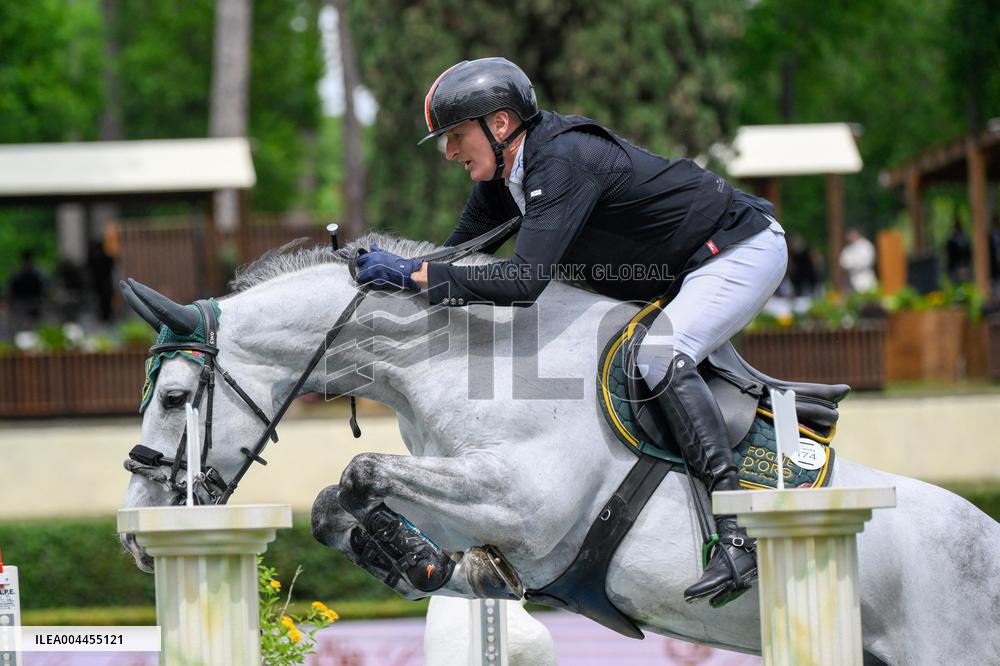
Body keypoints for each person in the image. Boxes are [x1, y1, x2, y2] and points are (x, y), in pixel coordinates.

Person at [355, 58, 787, 605]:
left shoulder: (561, 161)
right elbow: (456, 257)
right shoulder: (503, 175)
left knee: (657, 358)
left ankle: (737, 531)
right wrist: (389, 275)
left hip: (735, 250)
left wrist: (412, 273)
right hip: (674, 270)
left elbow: (522, 283)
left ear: (502, 124)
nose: (450, 152)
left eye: (456, 136)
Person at [8, 249, 46, 330]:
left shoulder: (18, 273)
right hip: (28, 303)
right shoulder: (37, 273)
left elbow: (12, 289)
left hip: (26, 303)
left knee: (23, 326)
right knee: (29, 326)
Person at [839, 228, 876, 293]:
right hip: (851, 280)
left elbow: (867, 261)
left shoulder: (865, 245)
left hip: (866, 277)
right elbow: (843, 263)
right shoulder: (847, 249)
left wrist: (854, 264)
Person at [945, 216, 972, 284]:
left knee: (965, 283)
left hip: (964, 265)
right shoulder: (951, 238)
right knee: (956, 283)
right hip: (955, 266)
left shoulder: (965, 237)